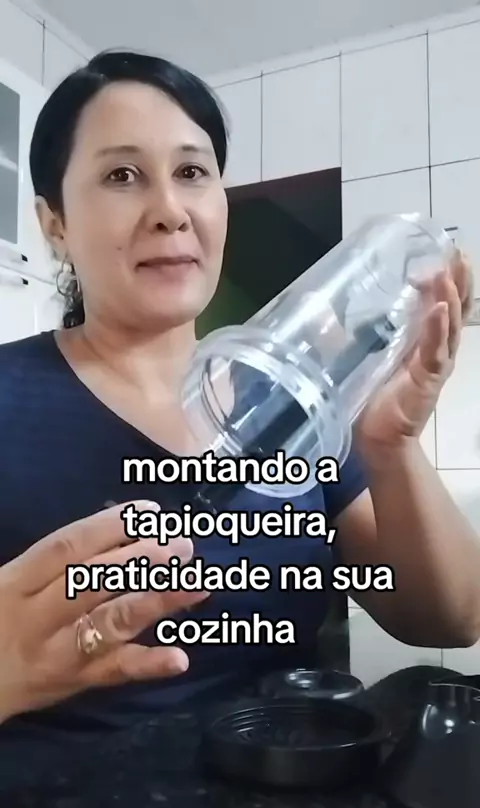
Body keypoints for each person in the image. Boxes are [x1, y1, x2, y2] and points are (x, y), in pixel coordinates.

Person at [0, 48, 479, 731]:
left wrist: (392, 444)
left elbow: (451, 619)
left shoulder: (292, 404)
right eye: (122, 175)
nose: (170, 210)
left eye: (192, 172)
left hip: (291, 780)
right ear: (55, 224)